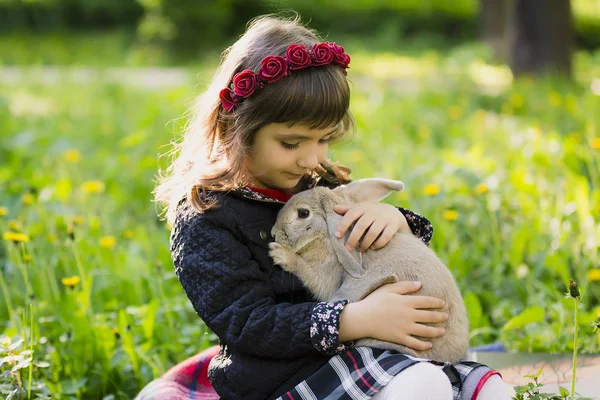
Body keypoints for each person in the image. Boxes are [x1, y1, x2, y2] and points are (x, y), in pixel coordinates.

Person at [147, 14, 512, 400]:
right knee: (424, 385)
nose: (311, 158)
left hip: (372, 349)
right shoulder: (207, 217)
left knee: (487, 391)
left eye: (325, 139)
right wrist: (353, 319)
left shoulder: (317, 182)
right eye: (292, 143)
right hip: (284, 375)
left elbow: (372, 256)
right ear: (236, 127)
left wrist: (392, 221)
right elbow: (247, 324)